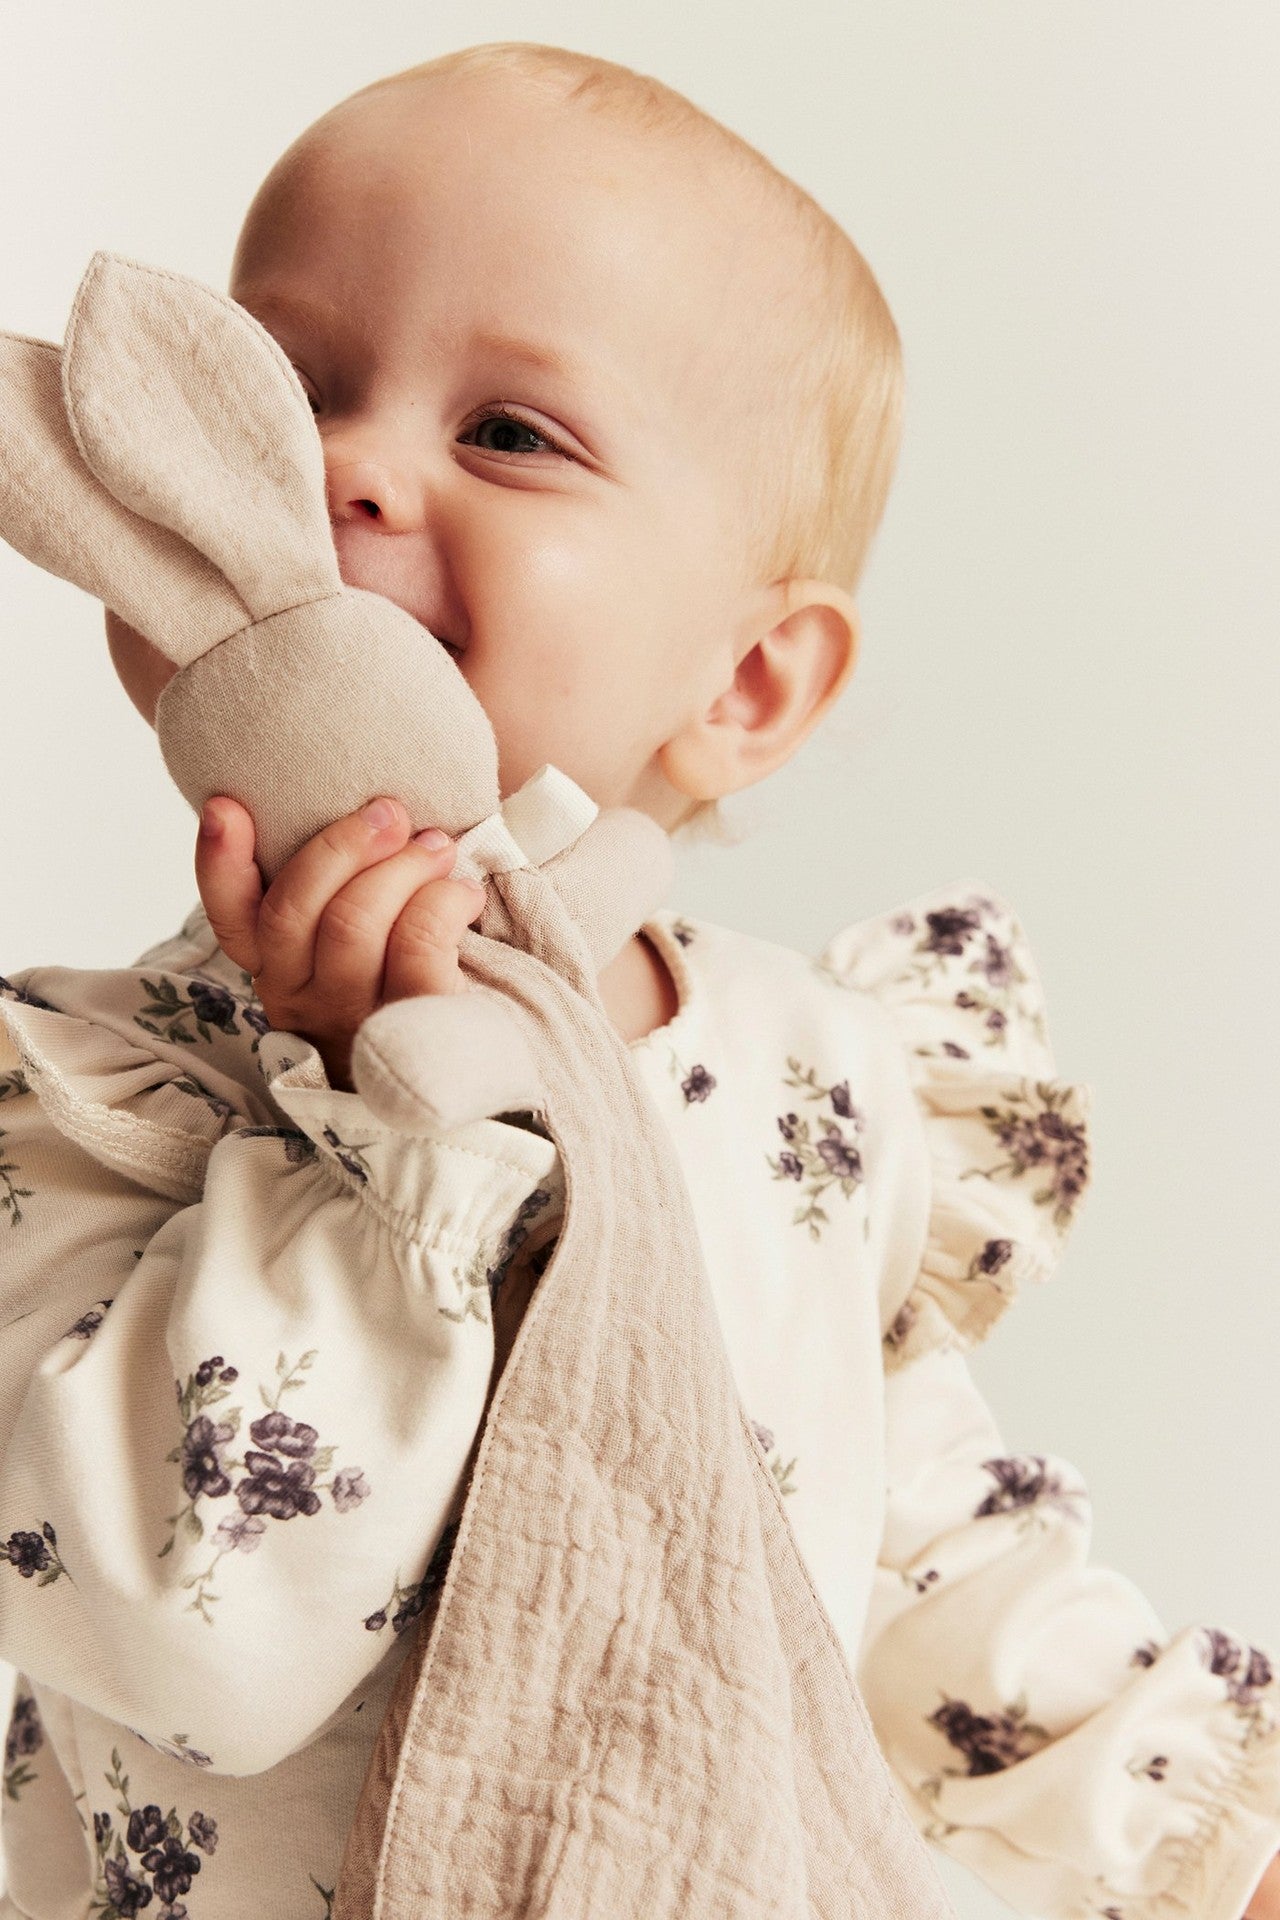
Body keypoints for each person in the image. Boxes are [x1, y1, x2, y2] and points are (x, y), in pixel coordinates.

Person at [1, 41, 1276, 1920]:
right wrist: (381, 1131)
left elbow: (905, 1555)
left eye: (507, 433)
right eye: (281, 398)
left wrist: (1195, 1827)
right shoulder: (115, 1096)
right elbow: (187, 1636)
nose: (343, 467)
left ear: (745, 686)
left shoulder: (814, 1082)